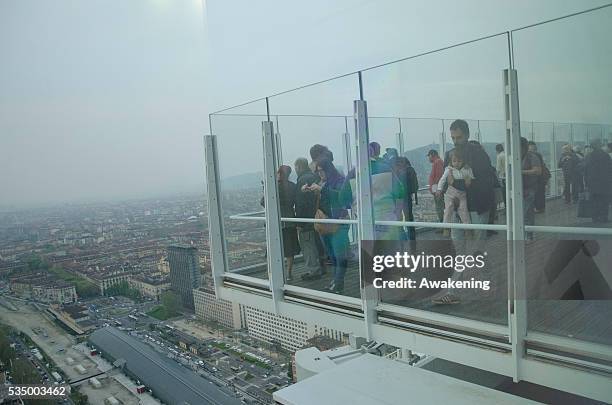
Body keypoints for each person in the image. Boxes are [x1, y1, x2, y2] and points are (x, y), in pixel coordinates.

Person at [305, 159, 352, 294]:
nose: (320, 174)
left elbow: (344, 199)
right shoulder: (324, 182)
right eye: (318, 171)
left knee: (338, 254)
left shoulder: (340, 181)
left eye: (322, 171)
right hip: (326, 222)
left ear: (328, 169)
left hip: (338, 221)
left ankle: (338, 282)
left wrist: (322, 190)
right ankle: (336, 281)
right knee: (332, 254)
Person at [445, 120, 495, 241]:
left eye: (459, 137)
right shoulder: (451, 154)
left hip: (476, 205)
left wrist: (455, 183)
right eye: (453, 138)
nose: (455, 141)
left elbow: (485, 181)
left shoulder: (479, 154)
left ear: (467, 135)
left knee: (475, 246)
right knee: (460, 244)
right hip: (462, 206)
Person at [260, 165, 300, 281]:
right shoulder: (293, 186)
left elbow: (263, 202)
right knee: (289, 249)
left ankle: (274, 273)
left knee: (273, 248)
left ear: (279, 174)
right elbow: (295, 202)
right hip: (289, 220)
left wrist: (265, 188)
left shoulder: (273, 187)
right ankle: (289, 273)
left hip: (275, 221)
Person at [294, 158, 326, 281]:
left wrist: (300, 222)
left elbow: (301, 203)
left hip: (306, 219)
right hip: (316, 217)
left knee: (308, 245)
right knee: (317, 243)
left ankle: (313, 270)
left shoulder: (302, 180)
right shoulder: (313, 177)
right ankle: (321, 267)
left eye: (296, 167)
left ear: (298, 167)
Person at [436, 149, 473, 236]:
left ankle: (468, 229)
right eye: (454, 161)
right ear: (451, 161)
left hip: (462, 194)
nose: (457, 163)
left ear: (463, 160)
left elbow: (471, 177)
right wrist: (439, 189)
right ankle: (446, 228)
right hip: (450, 193)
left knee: (464, 210)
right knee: (448, 209)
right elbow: (442, 179)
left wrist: (470, 180)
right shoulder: (449, 170)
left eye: (459, 161)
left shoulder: (466, 169)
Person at [584, 140, 612, 223]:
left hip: (592, 184)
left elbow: (585, 171)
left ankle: (595, 217)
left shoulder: (588, 156)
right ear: (599, 145)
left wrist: (586, 183)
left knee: (594, 201)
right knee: (604, 201)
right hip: (605, 183)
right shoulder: (606, 156)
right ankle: (603, 217)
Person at [392, 157, 418, 240]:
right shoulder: (410, 170)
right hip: (407, 197)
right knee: (409, 218)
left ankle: (402, 236)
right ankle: (411, 238)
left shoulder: (399, 172)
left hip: (400, 198)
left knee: (398, 217)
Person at [521, 137, 542, 238]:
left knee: (526, 213)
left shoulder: (532, 157)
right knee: (524, 213)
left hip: (529, 189)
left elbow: (538, 171)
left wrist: (521, 172)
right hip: (520, 189)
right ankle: (526, 235)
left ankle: (528, 236)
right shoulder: (517, 157)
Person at [427, 149, 445, 228]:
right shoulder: (438, 162)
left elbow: (438, 177)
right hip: (438, 190)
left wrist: (435, 190)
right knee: (440, 207)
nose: (428, 158)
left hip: (438, 191)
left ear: (432, 155)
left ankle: (444, 227)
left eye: (429, 156)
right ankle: (444, 226)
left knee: (440, 207)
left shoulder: (437, 163)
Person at [528, 141, 547, 213]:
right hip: (541, 177)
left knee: (538, 193)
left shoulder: (533, 155)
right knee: (541, 193)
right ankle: (541, 207)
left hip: (537, 178)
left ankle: (538, 208)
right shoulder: (538, 155)